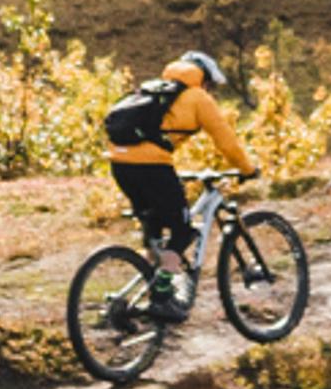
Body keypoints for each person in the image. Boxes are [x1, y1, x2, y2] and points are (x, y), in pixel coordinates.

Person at [104, 52, 255, 318]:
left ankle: (150, 291)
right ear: (203, 79)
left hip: (119, 163)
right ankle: (162, 297)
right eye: (211, 85)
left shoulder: (151, 90)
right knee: (183, 231)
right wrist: (247, 169)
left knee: (155, 228)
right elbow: (226, 140)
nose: (210, 90)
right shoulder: (198, 97)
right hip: (152, 166)